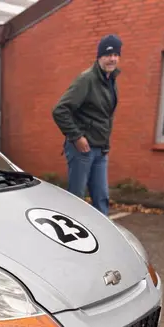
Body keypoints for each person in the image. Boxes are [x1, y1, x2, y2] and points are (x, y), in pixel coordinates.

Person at [52, 34, 122, 215]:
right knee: (77, 199)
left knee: (101, 197)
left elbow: (105, 117)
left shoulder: (110, 80)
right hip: (82, 149)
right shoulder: (87, 79)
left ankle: (102, 231)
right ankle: (71, 230)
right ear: (99, 56)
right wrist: (77, 137)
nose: (112, 59)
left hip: (101, 148)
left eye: (116, 54)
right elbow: (60, 110)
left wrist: (105, 145)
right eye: (108, 55)